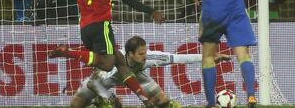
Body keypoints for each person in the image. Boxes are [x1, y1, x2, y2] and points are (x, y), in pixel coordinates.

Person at [11, 0, 165, 106]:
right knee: (107, 64)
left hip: (85, 28)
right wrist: (150, 11)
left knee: (120, 61)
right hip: (101, 26)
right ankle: (68, 52)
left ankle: (145, 100)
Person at [71, 36, 231, 108]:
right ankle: (100, 101)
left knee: (163, 101)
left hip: (136, 77)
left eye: (145, 52)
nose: (145, 56)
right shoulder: (111, 62)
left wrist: (210, 56)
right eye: (141, 54)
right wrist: (109, 98)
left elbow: (179, 58)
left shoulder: (149, 58)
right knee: (76, 104)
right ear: (129, 54)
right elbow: (93, 83)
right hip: (103, 83)